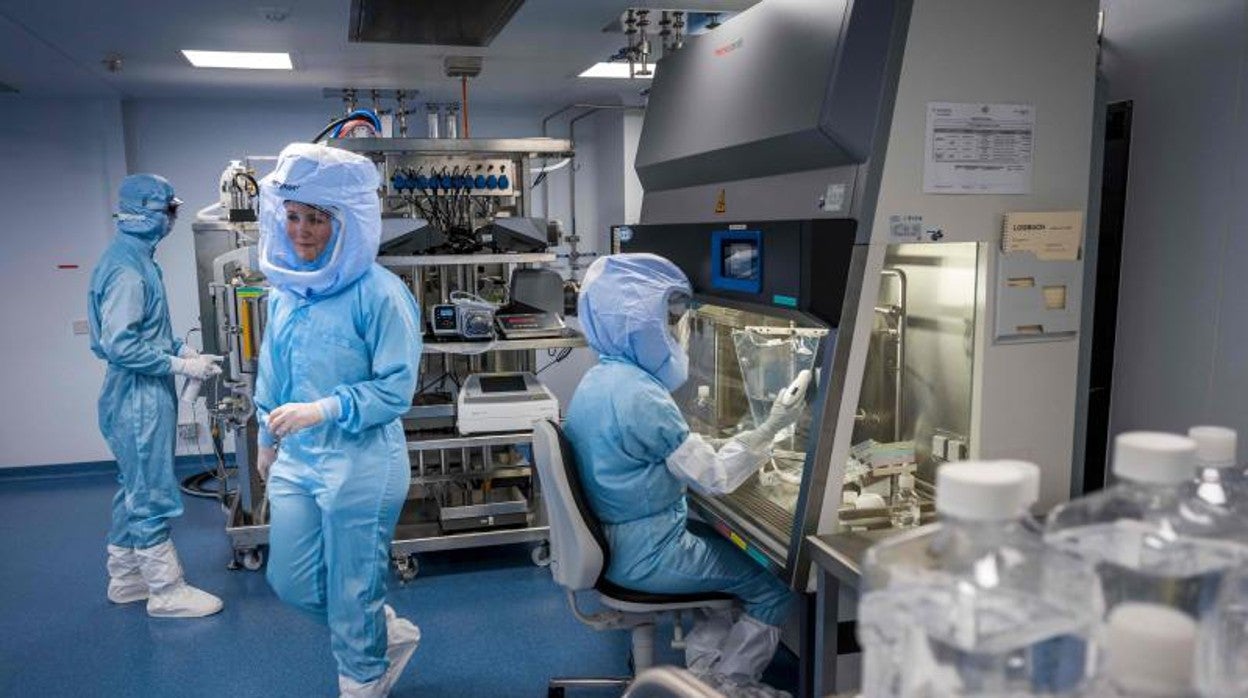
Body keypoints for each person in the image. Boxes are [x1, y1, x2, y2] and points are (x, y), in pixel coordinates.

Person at [563, 253, 809, 697]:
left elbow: (650, 450)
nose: (676, 328)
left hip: (620, 542)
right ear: (641, 325)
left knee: (722, 566)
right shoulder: (642, 396)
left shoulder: (599, 381)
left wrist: (720, 443)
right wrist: (772, 428)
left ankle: (705, 675)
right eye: (669, 317)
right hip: (650, 555)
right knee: (773, 589)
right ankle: (732, 685)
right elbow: (713, 477)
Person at [253, 143, 423, 698]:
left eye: (318, 219)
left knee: (353, 588)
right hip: (298, 458)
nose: (302, 231)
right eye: (295, 216)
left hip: (362, 461)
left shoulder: (381, 294)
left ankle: (363, 679)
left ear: (347, 223)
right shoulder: (286, 292)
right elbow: (272, 371)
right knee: (292, 582)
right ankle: (377, 632)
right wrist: (265, 435)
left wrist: (325, 408)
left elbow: (396, 389)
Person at [88, 173, 225, 618]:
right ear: (147, 211)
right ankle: (167, 591)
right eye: (169, 210)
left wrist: (180, 348)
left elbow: (146, 332)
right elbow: (121, 345)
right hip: (138, 395)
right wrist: (182, 366)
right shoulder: (128, 270)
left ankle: (127, 579)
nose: (172, 218)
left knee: (133, 485)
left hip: (140, 389)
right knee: (149, 491)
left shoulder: (135, 258)